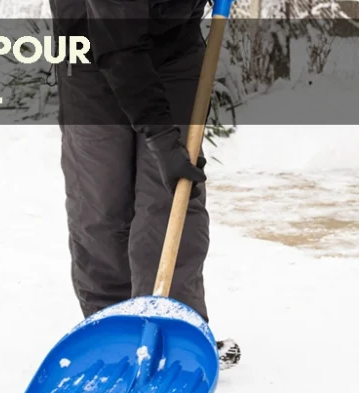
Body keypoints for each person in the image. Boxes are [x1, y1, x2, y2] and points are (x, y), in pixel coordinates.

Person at [49, 0, 240, 369]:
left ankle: (175, 334)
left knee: (173, 197)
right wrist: (162, 138)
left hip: (174, 52)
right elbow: (119, 43)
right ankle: (109, 334)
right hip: (89, 55)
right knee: (100, 202)